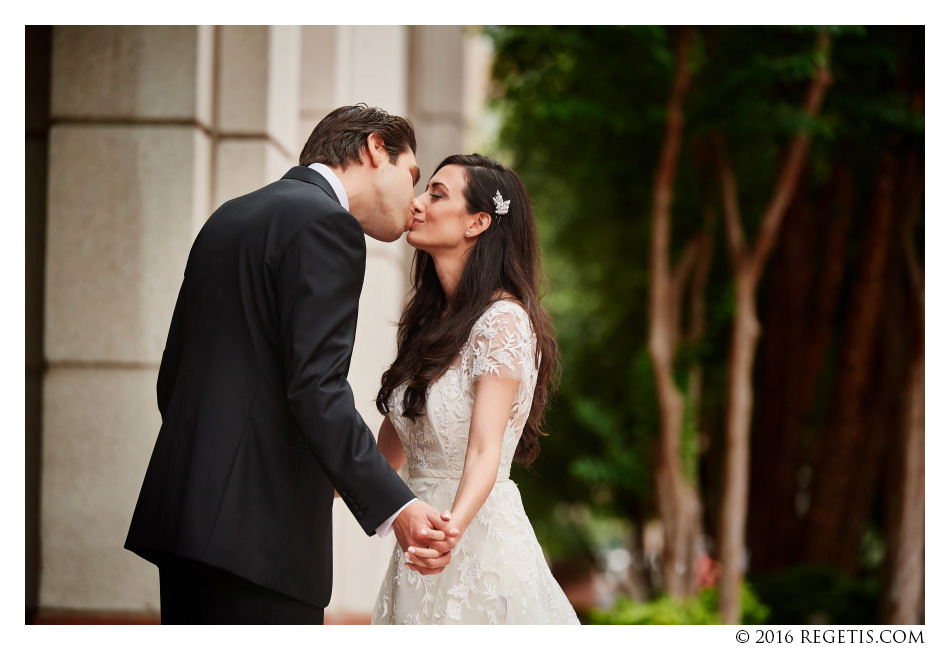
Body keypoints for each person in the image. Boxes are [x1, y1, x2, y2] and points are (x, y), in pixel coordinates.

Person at [124, 105, 459, 625]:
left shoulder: (229, 215)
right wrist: (397, 505)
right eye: (411, 174)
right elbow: (317, 390)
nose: (412, 198)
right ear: (375, 149)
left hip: (184, 524)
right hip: (259, 541)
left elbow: (174, 378)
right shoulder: (328, 225)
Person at [371, 154, 580, 624]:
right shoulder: (428, 326)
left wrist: (449, 535)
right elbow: (383, 458)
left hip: (476, 547)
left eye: (437, 194)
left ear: (478, 222)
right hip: (416, 551)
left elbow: (485, 450)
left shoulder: (502, 322)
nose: (417, 203)